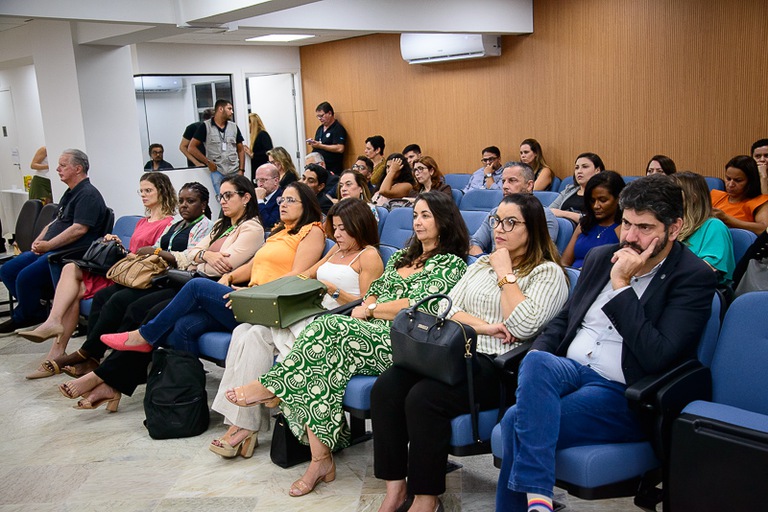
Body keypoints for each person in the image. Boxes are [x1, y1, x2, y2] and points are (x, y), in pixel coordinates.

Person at [222, 192, 469, 498]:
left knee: (328, 326)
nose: (417, 222)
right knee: (318, 368)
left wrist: (373, 309)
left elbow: (418, 306)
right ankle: (319, 461)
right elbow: (375, 292)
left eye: (426, 216)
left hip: (403, 340)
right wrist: (373, 305)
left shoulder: (450, 263)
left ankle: (273, 386)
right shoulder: (403, 257)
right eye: (415, 215)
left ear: (444, 221)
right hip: (371, 332)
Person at [495, 176, 717, 512]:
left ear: (674, 229)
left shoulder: (692, 277)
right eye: (626, 223)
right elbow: (564, 321)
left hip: (621, 392)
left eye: (644, 227)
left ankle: (537, 500)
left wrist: (622, 286)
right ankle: (539, 502)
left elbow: (658, 355)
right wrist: (536, 354)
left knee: (515, 422)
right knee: (537, 360)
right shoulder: (601, 256)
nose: (629, 237)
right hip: (569, 371)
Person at [372, 193, 569, 512]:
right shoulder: (480, 264)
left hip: (499, 367)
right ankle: (395, 489)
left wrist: (506, 275)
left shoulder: (548, 274)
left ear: (531, 229)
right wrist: (487, 326)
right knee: (387, 387)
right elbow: (446, 308)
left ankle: (426, 498)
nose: (499, 229)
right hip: (456, 353)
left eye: (510, 222)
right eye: (496, 221)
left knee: (423, 397)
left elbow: (522, 325)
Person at [57, 177, 263, 407]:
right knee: (140, 309)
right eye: (221, 196)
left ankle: (105, 375)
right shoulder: (220, 225)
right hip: (192, 281)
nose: (223, 201)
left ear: (246, 198)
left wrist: (198, 258)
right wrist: (203, 256)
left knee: (152, 316)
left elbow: (222, 264)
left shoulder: (252, 228)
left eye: (228, 196)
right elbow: (189, 254)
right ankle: (108, 378)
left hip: (208, 287)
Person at [209, 198, 384, 458]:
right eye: (334, 228)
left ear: (359, 226)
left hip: (335, 317)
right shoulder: (335, 250)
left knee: (270, 329)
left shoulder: (368, 255)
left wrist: (333, 290)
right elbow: (306, 275)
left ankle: (276, 391)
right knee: (247, 331)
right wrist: (263, 290)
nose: (338, 234)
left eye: (344, 228)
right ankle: (244, 423)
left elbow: (368, 304)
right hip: (309, 309)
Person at [99, 181, 324, 356]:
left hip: (269, 304)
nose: (283, 204)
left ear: (307, 205)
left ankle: (144, 336)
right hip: (251, 298)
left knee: (197, 286)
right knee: (184, 326)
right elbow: (252, 265)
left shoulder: (312, 231)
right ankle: (185, 399)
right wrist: (230, 276)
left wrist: (253, 292)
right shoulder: (280, 232)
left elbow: (298, 276)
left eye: (290, 200)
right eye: (282, 199)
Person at [20, 172, 176, 376]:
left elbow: (152, 257)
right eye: (141, 191)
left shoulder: (167, 223)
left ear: (162, 192)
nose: (143, 195)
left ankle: (70, 347)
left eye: (148, 191)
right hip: (126, 269)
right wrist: (116, 244)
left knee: (79, 289)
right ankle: (66, 341)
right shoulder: (142, 222)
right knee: (71, 275)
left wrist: (129, 254)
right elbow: (132, 255)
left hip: (138, 275)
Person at [0, 149, 108, 334]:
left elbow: (79, 229)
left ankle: (25, 315)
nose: (57, 169)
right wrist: (41, 238)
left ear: (78, 168)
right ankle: (35, 310)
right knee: (8, 270)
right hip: (50, 247)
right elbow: (56, 221)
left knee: (25, 277)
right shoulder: (70, 192)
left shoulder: (88, 194)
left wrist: (49, 245)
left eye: (63, 165)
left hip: (67, 251)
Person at [470, 162, 559, 255]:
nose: (504, 186)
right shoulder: (496, 212)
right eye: (503, 181)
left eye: (512, 180)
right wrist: (484, 262)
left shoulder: (544, 216)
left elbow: (541, 253)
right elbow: (474, 243)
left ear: (529, 185)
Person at [671, 172, 735, 285]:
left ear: (693, 198)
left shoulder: (714, 226)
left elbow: (707, 271)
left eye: (672, 193)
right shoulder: (670, 226)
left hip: (701, 291)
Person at [561, 171, 625, 269]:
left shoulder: (623, 229)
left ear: (618, 198)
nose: (596, 206)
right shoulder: (584, 224)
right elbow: (564, 262)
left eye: (603, 200)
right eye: (592, 200)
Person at [188, 99, 245, 195]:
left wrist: (241, 170)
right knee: (223, 199)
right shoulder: (205, 126)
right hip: (217, 170)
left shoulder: (234, 127)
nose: (232, 112)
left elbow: (241, 150)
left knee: (238, 197)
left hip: (234, 170)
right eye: (229, 109)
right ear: (220, 109)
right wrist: (207, 162)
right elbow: (191, 148)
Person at [711, 155, 768, 235]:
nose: (730, 184)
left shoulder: (759, 202)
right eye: (728, 179)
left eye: (738, 180)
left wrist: (726, 218)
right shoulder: (715, 195)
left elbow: (764, 228)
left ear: (750, 182)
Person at [549, 152, 605, 224]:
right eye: (577, 168)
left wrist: (564, 214)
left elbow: (595, 220)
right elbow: (549, 211)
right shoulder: (569, 190)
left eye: (585, 167)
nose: (579, 171)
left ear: (597, 170)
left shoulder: (603, 194)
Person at [308, 101, 346, 174]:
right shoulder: (320, 129)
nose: (319, 118)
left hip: (332, 169)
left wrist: (320, 146)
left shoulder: (338, 128)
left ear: (329, 113)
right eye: (318, 116)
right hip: (319, 167)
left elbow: (340, 148)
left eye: (321, 116)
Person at [254, 163, 283, 230]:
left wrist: (260, 201)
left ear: (276, 181)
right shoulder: (254, 196)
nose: (259, 184)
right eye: (257, 180)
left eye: (263, 180)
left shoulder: (282, 198)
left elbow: (269, 224)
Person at [244, 112, 273, 180]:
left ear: (252, 123)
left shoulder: (263, 135)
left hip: (263, 170)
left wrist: (253, 155)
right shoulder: (253, 137)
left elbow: (269, 152)